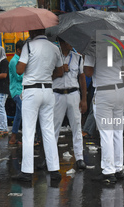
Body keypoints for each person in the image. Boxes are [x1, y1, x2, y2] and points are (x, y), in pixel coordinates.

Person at [11, 29, 63, 182]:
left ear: (33, 31)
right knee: (48, 131)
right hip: (47, 90)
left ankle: (27, 172)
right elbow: (60, 71)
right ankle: (54, 170)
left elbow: (19, 70)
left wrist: (26, 63)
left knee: (28, 131)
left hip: (31, 91)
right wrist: (45, 75)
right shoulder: (55, 47)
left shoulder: (29, 46)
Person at [84, 48, 124, 184]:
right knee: (117, 132)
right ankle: (118, 168)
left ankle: (108, 171)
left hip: (104, 92)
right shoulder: (120, 46)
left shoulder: (93, 48)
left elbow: (88, 72)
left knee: (106, 133)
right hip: (120, 90)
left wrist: (86, 60)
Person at [53, 38, 87, 169]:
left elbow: (82, 78)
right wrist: (59, 71)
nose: (70, 43)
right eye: (67, 41)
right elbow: (48, 76)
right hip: (57, 94)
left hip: (73, 94)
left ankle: (79, 157)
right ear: (61, 43)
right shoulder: (54, 57)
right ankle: (52, 158)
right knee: (54, 127)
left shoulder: (78, 58)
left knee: (77, 126)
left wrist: (84, 99)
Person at [8, 40, 25, 145]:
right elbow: (18, 77)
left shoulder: (20, 60)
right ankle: (23, 137)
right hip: (16, 91)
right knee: (24, 113)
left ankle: (13, 138)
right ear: (18, 50)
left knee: (19, 115)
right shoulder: (14, 61)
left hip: (21, 91)